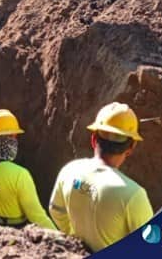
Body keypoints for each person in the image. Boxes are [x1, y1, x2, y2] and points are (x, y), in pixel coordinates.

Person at [49, 102, 153, 253]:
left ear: (93, 139)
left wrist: (76, 241)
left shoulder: (69, 170)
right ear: (131, 148)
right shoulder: (133, 194)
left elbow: (55, 210)